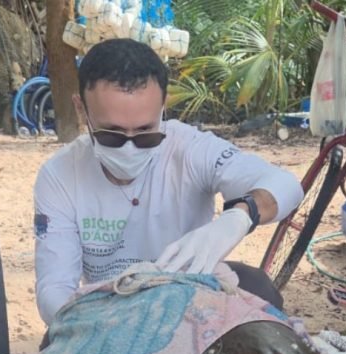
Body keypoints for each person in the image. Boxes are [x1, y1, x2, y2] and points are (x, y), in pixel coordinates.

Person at [32, 38, 304, 327]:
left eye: (146, 133)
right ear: (81, 109)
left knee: (257, 286)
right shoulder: (59, 176)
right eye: (111, 134)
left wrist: (239, 216)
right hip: (110, 309)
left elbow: (285, 184)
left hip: (190, 300)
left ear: (162, 108)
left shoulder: (190, 150)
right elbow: (55, 287)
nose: (130, 148)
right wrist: (88, 324)